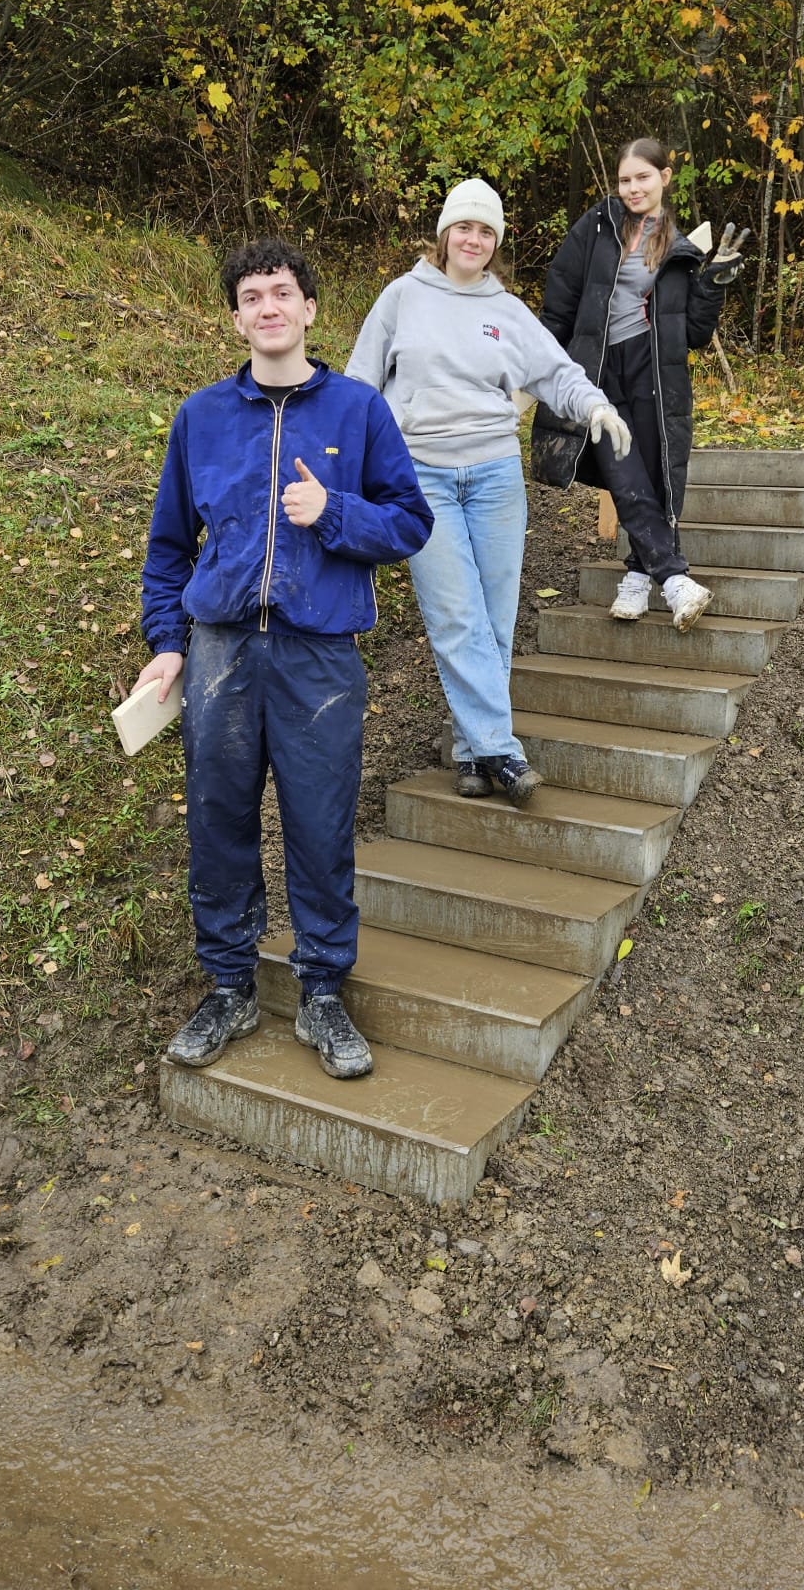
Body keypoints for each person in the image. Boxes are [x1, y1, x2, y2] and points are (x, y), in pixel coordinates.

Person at [131, 237, 434, 1081]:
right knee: (217, 824)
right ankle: (228, 985)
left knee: (320, 824)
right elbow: (166, 550)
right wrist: (165, 647)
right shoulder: (200, 419)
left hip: (319, 658)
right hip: (221, 651)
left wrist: (333, 511)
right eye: (252, 296)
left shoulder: (358, 412)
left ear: (308, 310)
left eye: (283, 293)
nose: (268, 307)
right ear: (235, 316)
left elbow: (411, 524)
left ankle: (323, 994)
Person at [345, 178, 630, 805]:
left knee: (495, 618)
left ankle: (472, 751)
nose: (473, 239)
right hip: (420, 479)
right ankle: (504, 750)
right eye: (463, 227)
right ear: (444, 234)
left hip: (496, 476)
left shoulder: (506, 310)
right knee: (455, 614)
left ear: (495, 242)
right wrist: (350, 463)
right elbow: (359, 385)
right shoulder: (402, 297)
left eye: (485, 230)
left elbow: (556, 372)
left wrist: (597, 407)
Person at [531, 138, 748, 630]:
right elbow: (559, 304)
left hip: (654, 372)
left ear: (665, 178)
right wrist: (539, 366)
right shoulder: (597, 226)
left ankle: (636, 577)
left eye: (643, 178)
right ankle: (672, 577)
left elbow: (693, 334)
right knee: (620, 465)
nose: (633, 188)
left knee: (652, 472)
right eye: (625, 179)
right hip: (597, 370)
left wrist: (711, 285)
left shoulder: (681, 248)